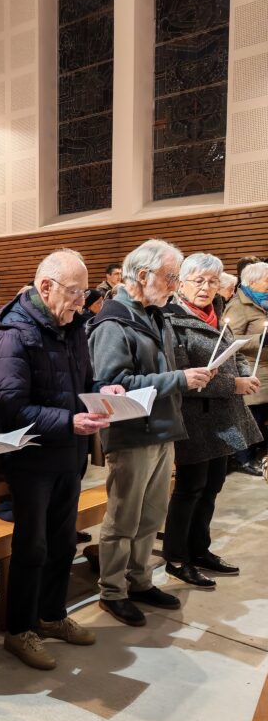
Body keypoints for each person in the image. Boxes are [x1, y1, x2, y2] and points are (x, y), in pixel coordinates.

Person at [0, 250, 115, 669]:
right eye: (75, 292)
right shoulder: (11, 334)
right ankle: (19, 629)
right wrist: (68, 421)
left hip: (68, 453)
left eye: (84, 292)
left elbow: (81, 381)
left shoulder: (71, 326)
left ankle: (52, 615)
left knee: (63, 541)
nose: (82, 301)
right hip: (32, 459)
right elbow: (9, 408)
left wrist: (102, 390)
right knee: (32, 546)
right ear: (46, 287)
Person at [88, 239, 214, 627]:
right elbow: (112, 384)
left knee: (152, 515)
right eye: (171, 276)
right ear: (143, 276)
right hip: (132, 434)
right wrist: (178, 379)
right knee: (123, 518)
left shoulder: (155, 315)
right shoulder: (113, 324)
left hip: (162, 429)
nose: (175, 285)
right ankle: (113, 591)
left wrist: (184, 378)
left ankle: (140, 580)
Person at [161, 253, 261, 586]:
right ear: (182, 284)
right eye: (199, 280)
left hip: (224, 417)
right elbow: (183, 376)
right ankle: (177, 558)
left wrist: (245, 374)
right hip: (194, 419)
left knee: (213, 487)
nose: (206, 287)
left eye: (213, 281)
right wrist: (234, 384)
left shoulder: (218, 314)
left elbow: (235, 354)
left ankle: (200, 549)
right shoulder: (171, 320)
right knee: (190, 489)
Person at [225, 261, 268, 475]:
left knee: (260, 418)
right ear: (252, 282)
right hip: (251, 368)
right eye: (267, 280)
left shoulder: (263, 302)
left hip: (266, 369)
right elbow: (228, 339)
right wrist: (260, 339)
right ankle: (243, 458)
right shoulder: (238, 306)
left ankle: (256, 453)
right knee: (251, 418)